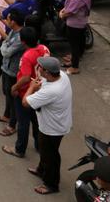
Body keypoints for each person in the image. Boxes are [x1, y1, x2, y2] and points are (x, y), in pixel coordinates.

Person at [23, 56, 73, 195]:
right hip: (57, 123)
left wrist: (31, 88)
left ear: (47, 72)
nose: (38, 69)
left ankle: (51, 184)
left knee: (50, 155)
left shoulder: (52, 90)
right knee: (46, 151)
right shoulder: (62, 76)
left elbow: (26, 102)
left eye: (40, 68)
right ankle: (41, 169)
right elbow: (44, 81)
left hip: (52, 128)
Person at [3, 27, 49, 160]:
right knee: (37, 120)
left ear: (23, 42)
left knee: (23, 122)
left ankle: (19, 149)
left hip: (26, 92)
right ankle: (38, 145)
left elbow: (26, 77)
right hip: (40, 91)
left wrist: (15, 87)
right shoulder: (44, 49)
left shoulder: (27, 56)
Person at [60, 0, 92, 74]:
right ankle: (76, 57)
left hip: (74, 23)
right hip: (81, 21)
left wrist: (62, 14)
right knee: (80, 40)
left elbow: (70, 11)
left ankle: (75, 67)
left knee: (74, 44)